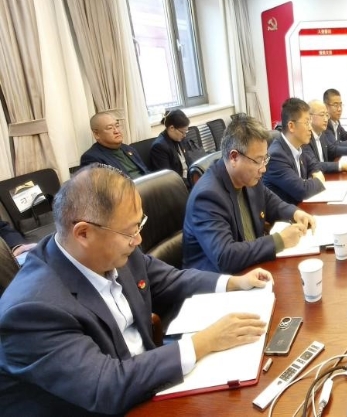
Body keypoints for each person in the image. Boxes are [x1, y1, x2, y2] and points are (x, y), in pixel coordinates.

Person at [0, 164, 272, 415]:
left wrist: (234, 283)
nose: (138, 239)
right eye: (130, 232)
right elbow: (105, 386)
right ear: (83, 233)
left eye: (139, 225)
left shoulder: (112, 251)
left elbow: (170, 281)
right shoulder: (31, 311)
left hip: (147, 384)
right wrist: (204, 342)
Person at [183, 115, 314, 274]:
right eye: (258, 161)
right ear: (234, 157)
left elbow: (270, 201)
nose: (263, 168)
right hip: (217, 280)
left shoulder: (248, 177)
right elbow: (225, 256)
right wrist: (279, 241)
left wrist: (295, 213)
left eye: (265, 159)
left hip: (251, 268)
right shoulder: (207, 197)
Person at [262, 98, 326, 204]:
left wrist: (315, 173)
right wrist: (318, 181)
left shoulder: (299, 146)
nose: (310, 128)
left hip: (300, 207)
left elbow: (314, 164)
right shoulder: (276, 156)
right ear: (291, 126)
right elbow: (302, 191)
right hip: (286, 212)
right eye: (307, 123)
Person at [80, 112, 150, 179]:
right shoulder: (92, 158)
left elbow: (146, 172)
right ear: (97, 134)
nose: (117, 131)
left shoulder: (129, 149)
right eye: (110, 128)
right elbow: (105, 186)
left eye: (117, 126)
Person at [304, 100, 347, 174]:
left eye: (327, 115)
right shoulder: (305, 138)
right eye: (322, 115)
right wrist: (341, 166)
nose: (326, 119)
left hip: (326, 174)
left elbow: (332, 150)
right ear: (310, 117)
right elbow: (314, 164)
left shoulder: (321, 133)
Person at [150, 109, 205, 187]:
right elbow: (168, 179)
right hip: (178, 186)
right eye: (182, 132)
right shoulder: (159, 147)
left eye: (186, 132)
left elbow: (188, 161)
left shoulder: (179, 138)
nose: (184, 135)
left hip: (189, 179)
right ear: (172, 128)